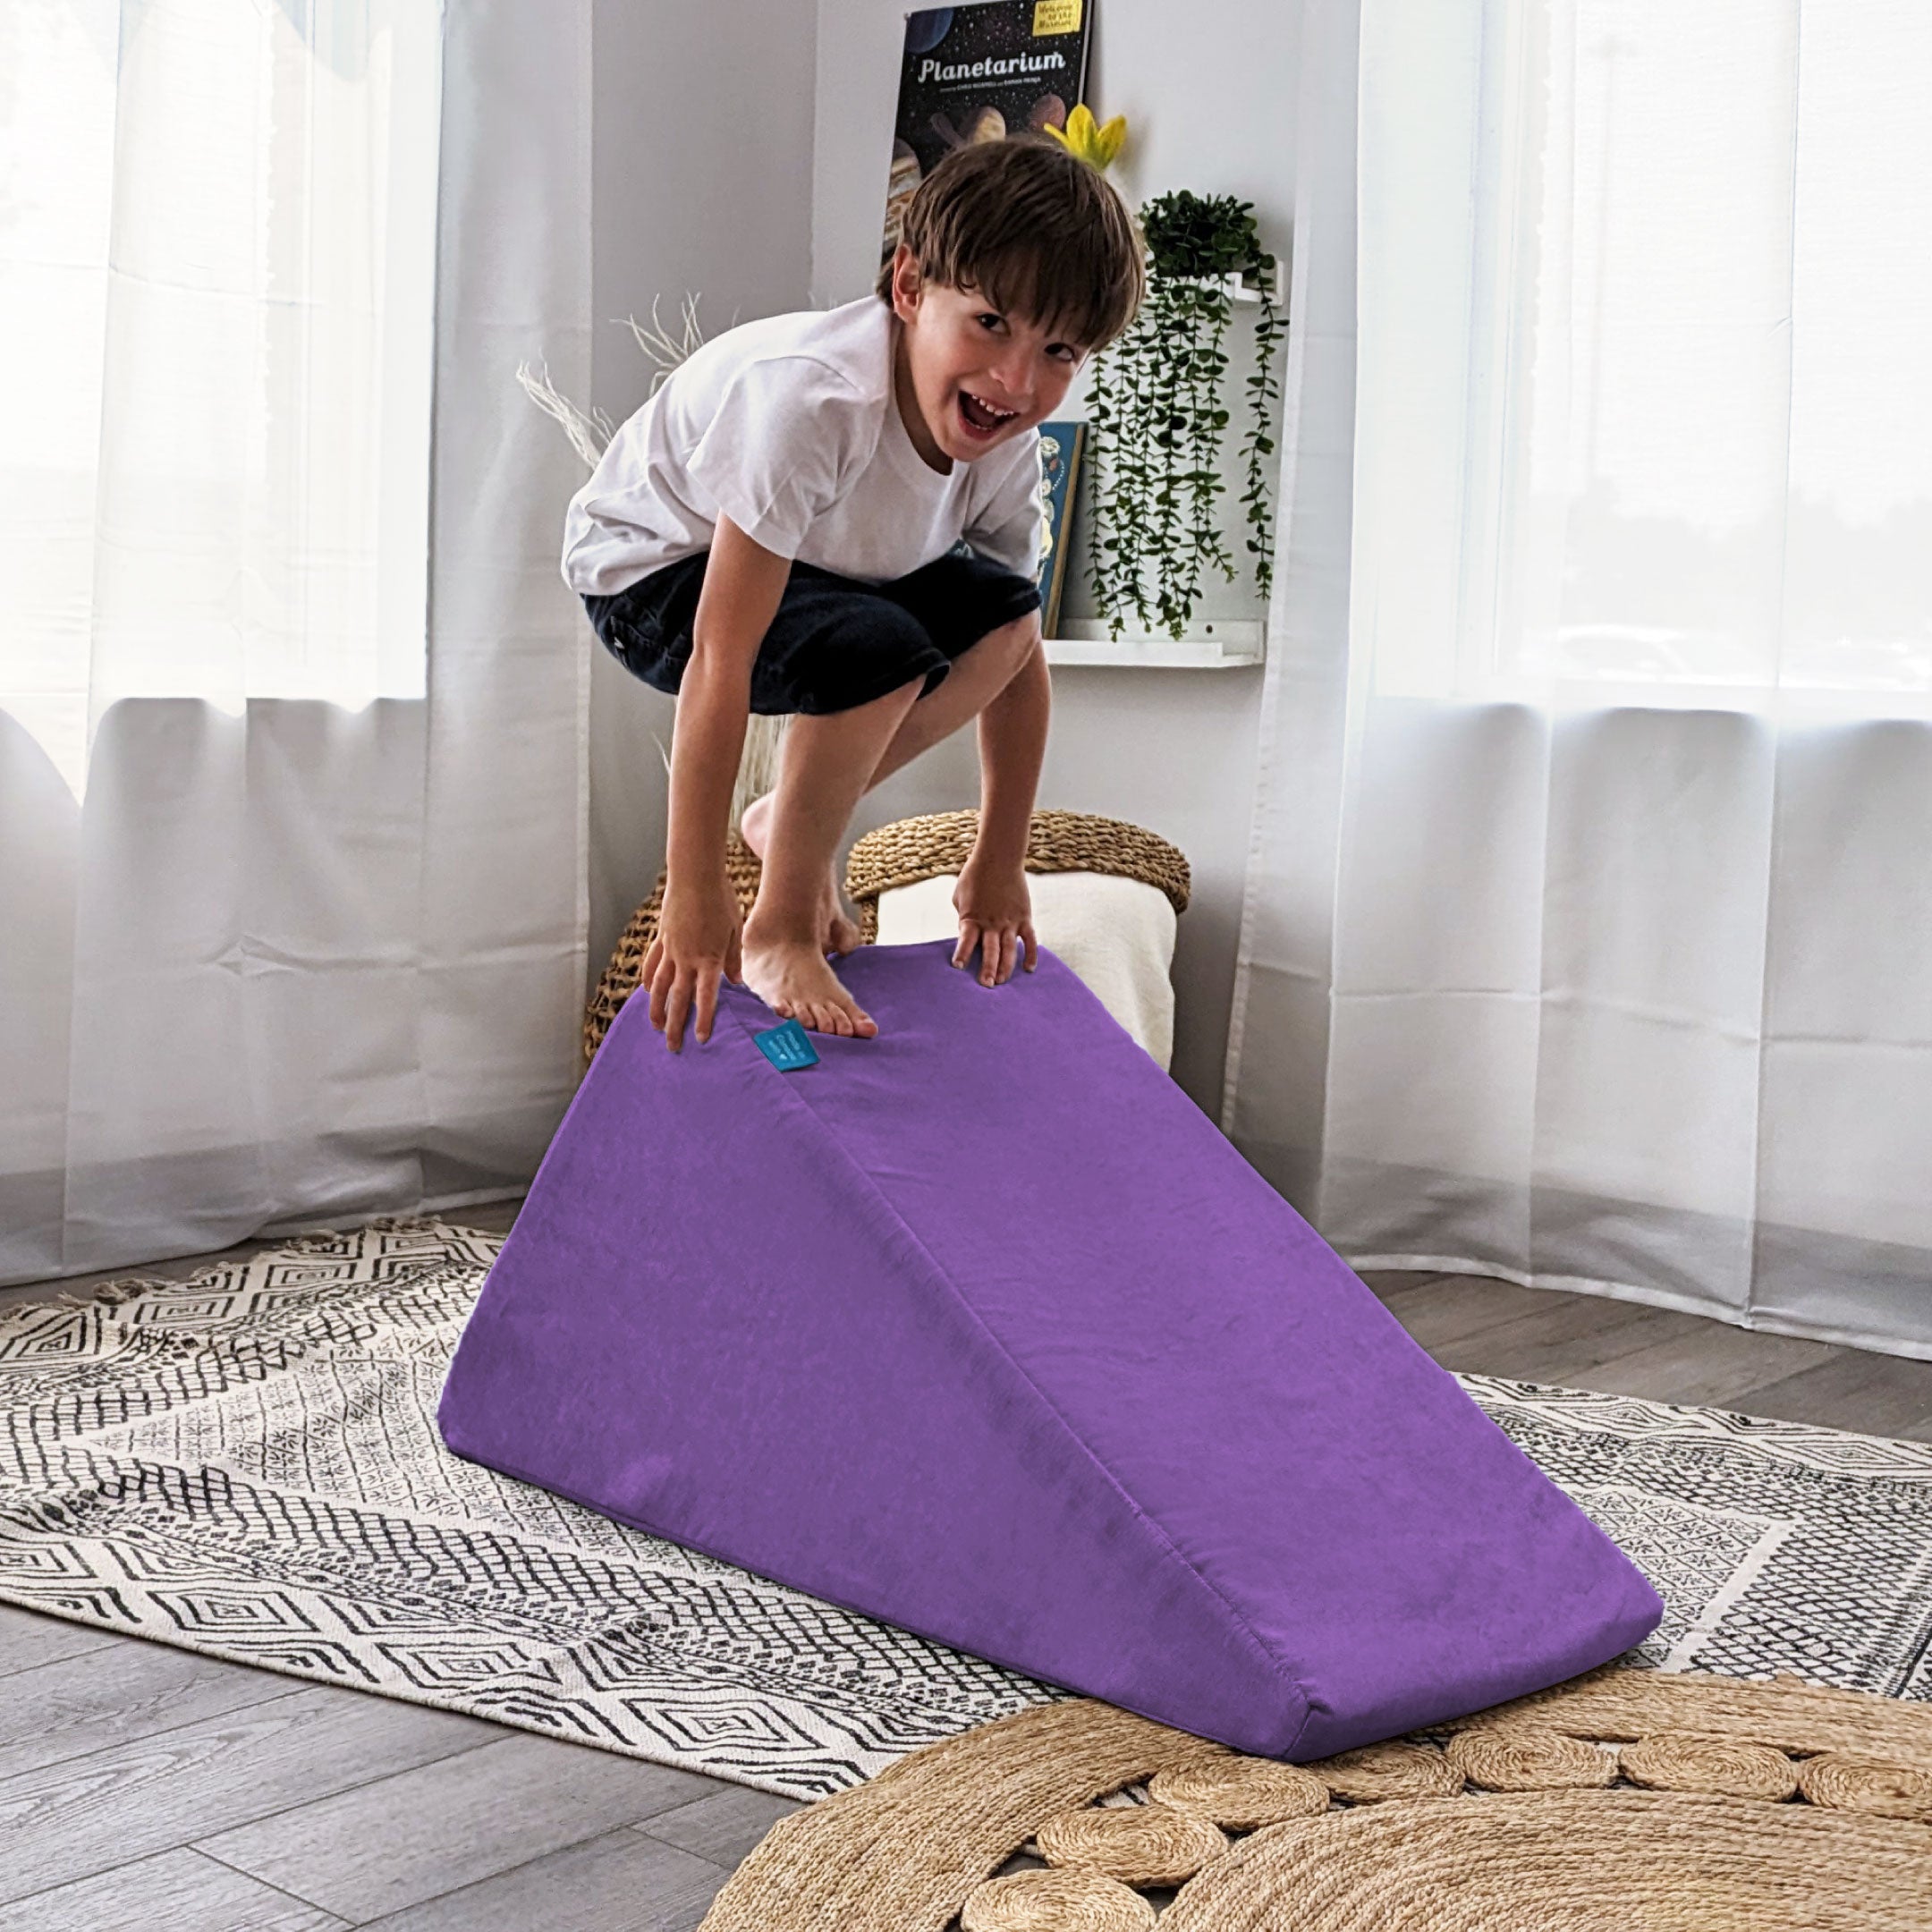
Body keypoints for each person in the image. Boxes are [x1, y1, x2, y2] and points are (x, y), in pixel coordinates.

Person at [562, 137, 1143, 1051]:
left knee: (1007, 622)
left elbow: (1016, 658)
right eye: (990, 322)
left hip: (821, 567)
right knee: (876, 656)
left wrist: (999, 860)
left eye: (1059, 350)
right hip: (653, 568)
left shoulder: (1005, 447)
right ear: (909, 288)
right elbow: (720, 654)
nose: (1017, 382)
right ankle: (781, 927)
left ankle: (783, 819)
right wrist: (694, 885)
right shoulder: (813, 403)